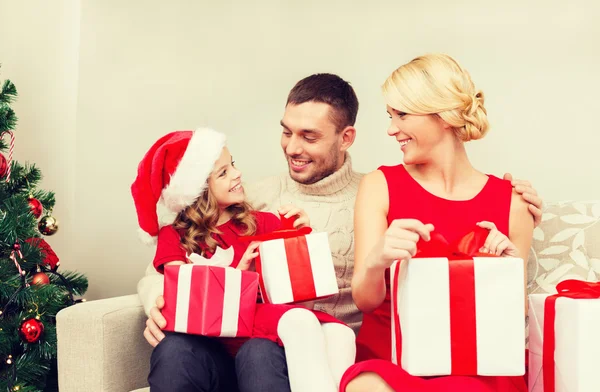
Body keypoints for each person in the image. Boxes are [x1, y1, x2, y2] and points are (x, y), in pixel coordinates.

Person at [137, 74, 544, 392]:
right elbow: (177, 252)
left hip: (318, 350)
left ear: (346, 138)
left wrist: (518, 210)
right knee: (176, 348)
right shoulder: (251, 199)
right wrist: (157, 296)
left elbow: (456, 257)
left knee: (262, 354)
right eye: (286, 131)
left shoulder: (380, 193)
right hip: (248, 333)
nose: (292, 147)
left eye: (309, 136)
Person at [342, 53, 534, 392]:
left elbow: (511, 318)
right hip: (393, 360)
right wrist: (377, 259)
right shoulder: (379, 185)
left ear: (443, 116)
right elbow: (366, 301)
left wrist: (507, 265)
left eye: (401, 114)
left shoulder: (514, 202)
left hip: (476, 366)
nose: (391, 129)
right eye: (390, 116)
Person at [130, 128, 355, 392]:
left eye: (232, 164)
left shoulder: (265, 223)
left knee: (325, 336)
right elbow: (185, 301)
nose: (237, 174)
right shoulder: (174, 237)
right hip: (213, 352)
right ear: (198, 190)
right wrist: (240, 274)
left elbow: (298, 298)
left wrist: (300, 237)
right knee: (174, 347)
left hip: (262, 347)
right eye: (223, 172)